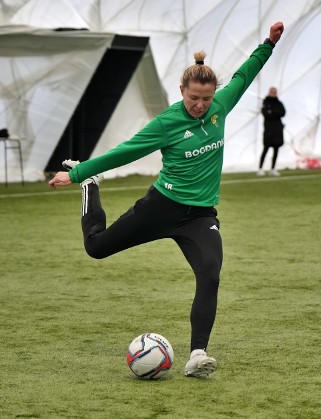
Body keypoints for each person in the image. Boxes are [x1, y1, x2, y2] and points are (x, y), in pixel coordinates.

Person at [48, 21, 285, 378]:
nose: (201, 105)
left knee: (210, 274)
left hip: (200, 216)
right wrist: (78, 173)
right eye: (194, 98)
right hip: (161, 208)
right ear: (181, 90)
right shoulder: (166, 124)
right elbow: (124, 153)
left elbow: (245, 74)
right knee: (96, 248)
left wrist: (268, 43)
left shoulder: (220, 105)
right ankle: (91, 185)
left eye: (206, 99)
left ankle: (197, 355)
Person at [257, 87, 286, 176]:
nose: (273, 93)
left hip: (277, 130)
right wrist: (274, 113)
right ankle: (260, 169)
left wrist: (272, 112)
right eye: (272, 92)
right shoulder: (265, 102)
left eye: (274, 92)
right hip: (269, 130)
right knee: (265, 149)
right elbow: (266, 113)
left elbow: (283, 113)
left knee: (276, 150)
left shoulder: (279, 103)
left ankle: (273, 169)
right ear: (269, 92)